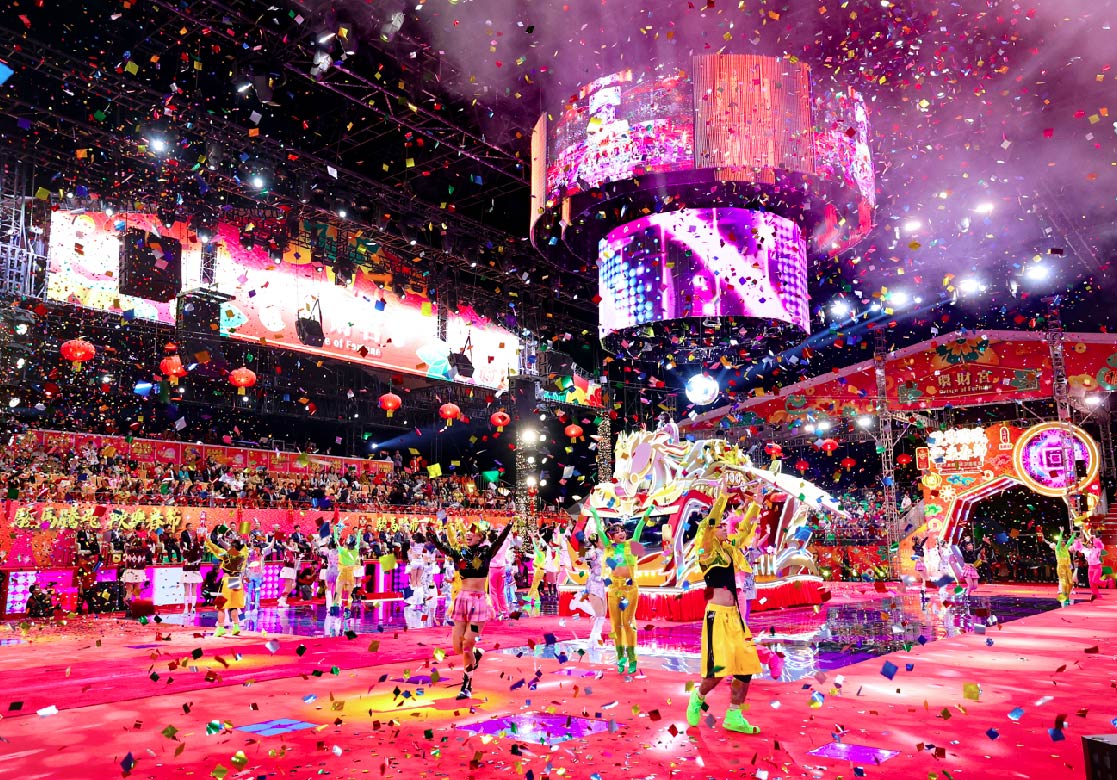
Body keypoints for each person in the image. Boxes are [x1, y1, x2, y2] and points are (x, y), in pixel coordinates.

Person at [686, 490, 762, 734]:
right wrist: (722, 498)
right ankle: (697, 697)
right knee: (717, 671)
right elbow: (708, 526)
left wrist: (756, 506)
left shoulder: (729, 549)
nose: (723, 528)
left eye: (723, 525)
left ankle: (734, 715)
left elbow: (744, 531)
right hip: (716, 617)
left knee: (746, 665)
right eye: (719, 526)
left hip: (735, 617)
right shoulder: (706, 552)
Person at [426, 519, 514, 700]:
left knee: (466, 646)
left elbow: (499, 542)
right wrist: (432, 536)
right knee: (458, 647)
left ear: (480, 537)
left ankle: (466, 685)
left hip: (479, 602)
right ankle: (476, 654)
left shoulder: (487, 552)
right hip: (462, 600)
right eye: (467, 532)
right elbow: (443, 548)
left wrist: (508, 526)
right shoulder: (461, 553)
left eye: (472, 532)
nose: (467, 534)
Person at [589, 506, 652, 675]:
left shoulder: (632, 544)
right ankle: (620, 658)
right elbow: (599, 530)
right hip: (614, 589)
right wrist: (595, 514)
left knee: (628, 623)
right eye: (617, 532)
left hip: (630, 589)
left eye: (622, 530)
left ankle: (632, 658)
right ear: (612, 536)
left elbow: (639, 527)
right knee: (616, 625)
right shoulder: (609, 548)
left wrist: (648, 512)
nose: (621, 533)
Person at [204, 533, 248, 636]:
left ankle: (220, 628)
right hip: (236, 580)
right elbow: (244, 548)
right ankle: (236, 626)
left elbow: (215, 549)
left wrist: (208, 540)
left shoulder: (226, 555)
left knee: (221, 605)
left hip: (227, 580)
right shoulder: (243, 555)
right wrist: (241, 539)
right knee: (234, 605)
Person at [1072, 527, 1107, 600]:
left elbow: (1100, 545)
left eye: (1090, 543)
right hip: (1090, 567)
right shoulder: (1086, 550)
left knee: (1095, 580)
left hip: (1097, 567)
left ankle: (1106, 582)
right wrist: (1077, 540)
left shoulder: (1097, 549)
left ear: (1093, 544)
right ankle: (1095, 594)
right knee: (1091, 582)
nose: (1088, 544)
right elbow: (1079, 547)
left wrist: (1093, 538)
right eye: (1087, 543)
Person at [180, 536, 203, 616]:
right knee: (192, 590)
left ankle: (189, 608)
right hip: (192, 571)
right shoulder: (199, 551)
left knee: (189, 590)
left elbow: (183, 551)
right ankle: (190, 608)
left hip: (190, 570)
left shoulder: (192, 551)